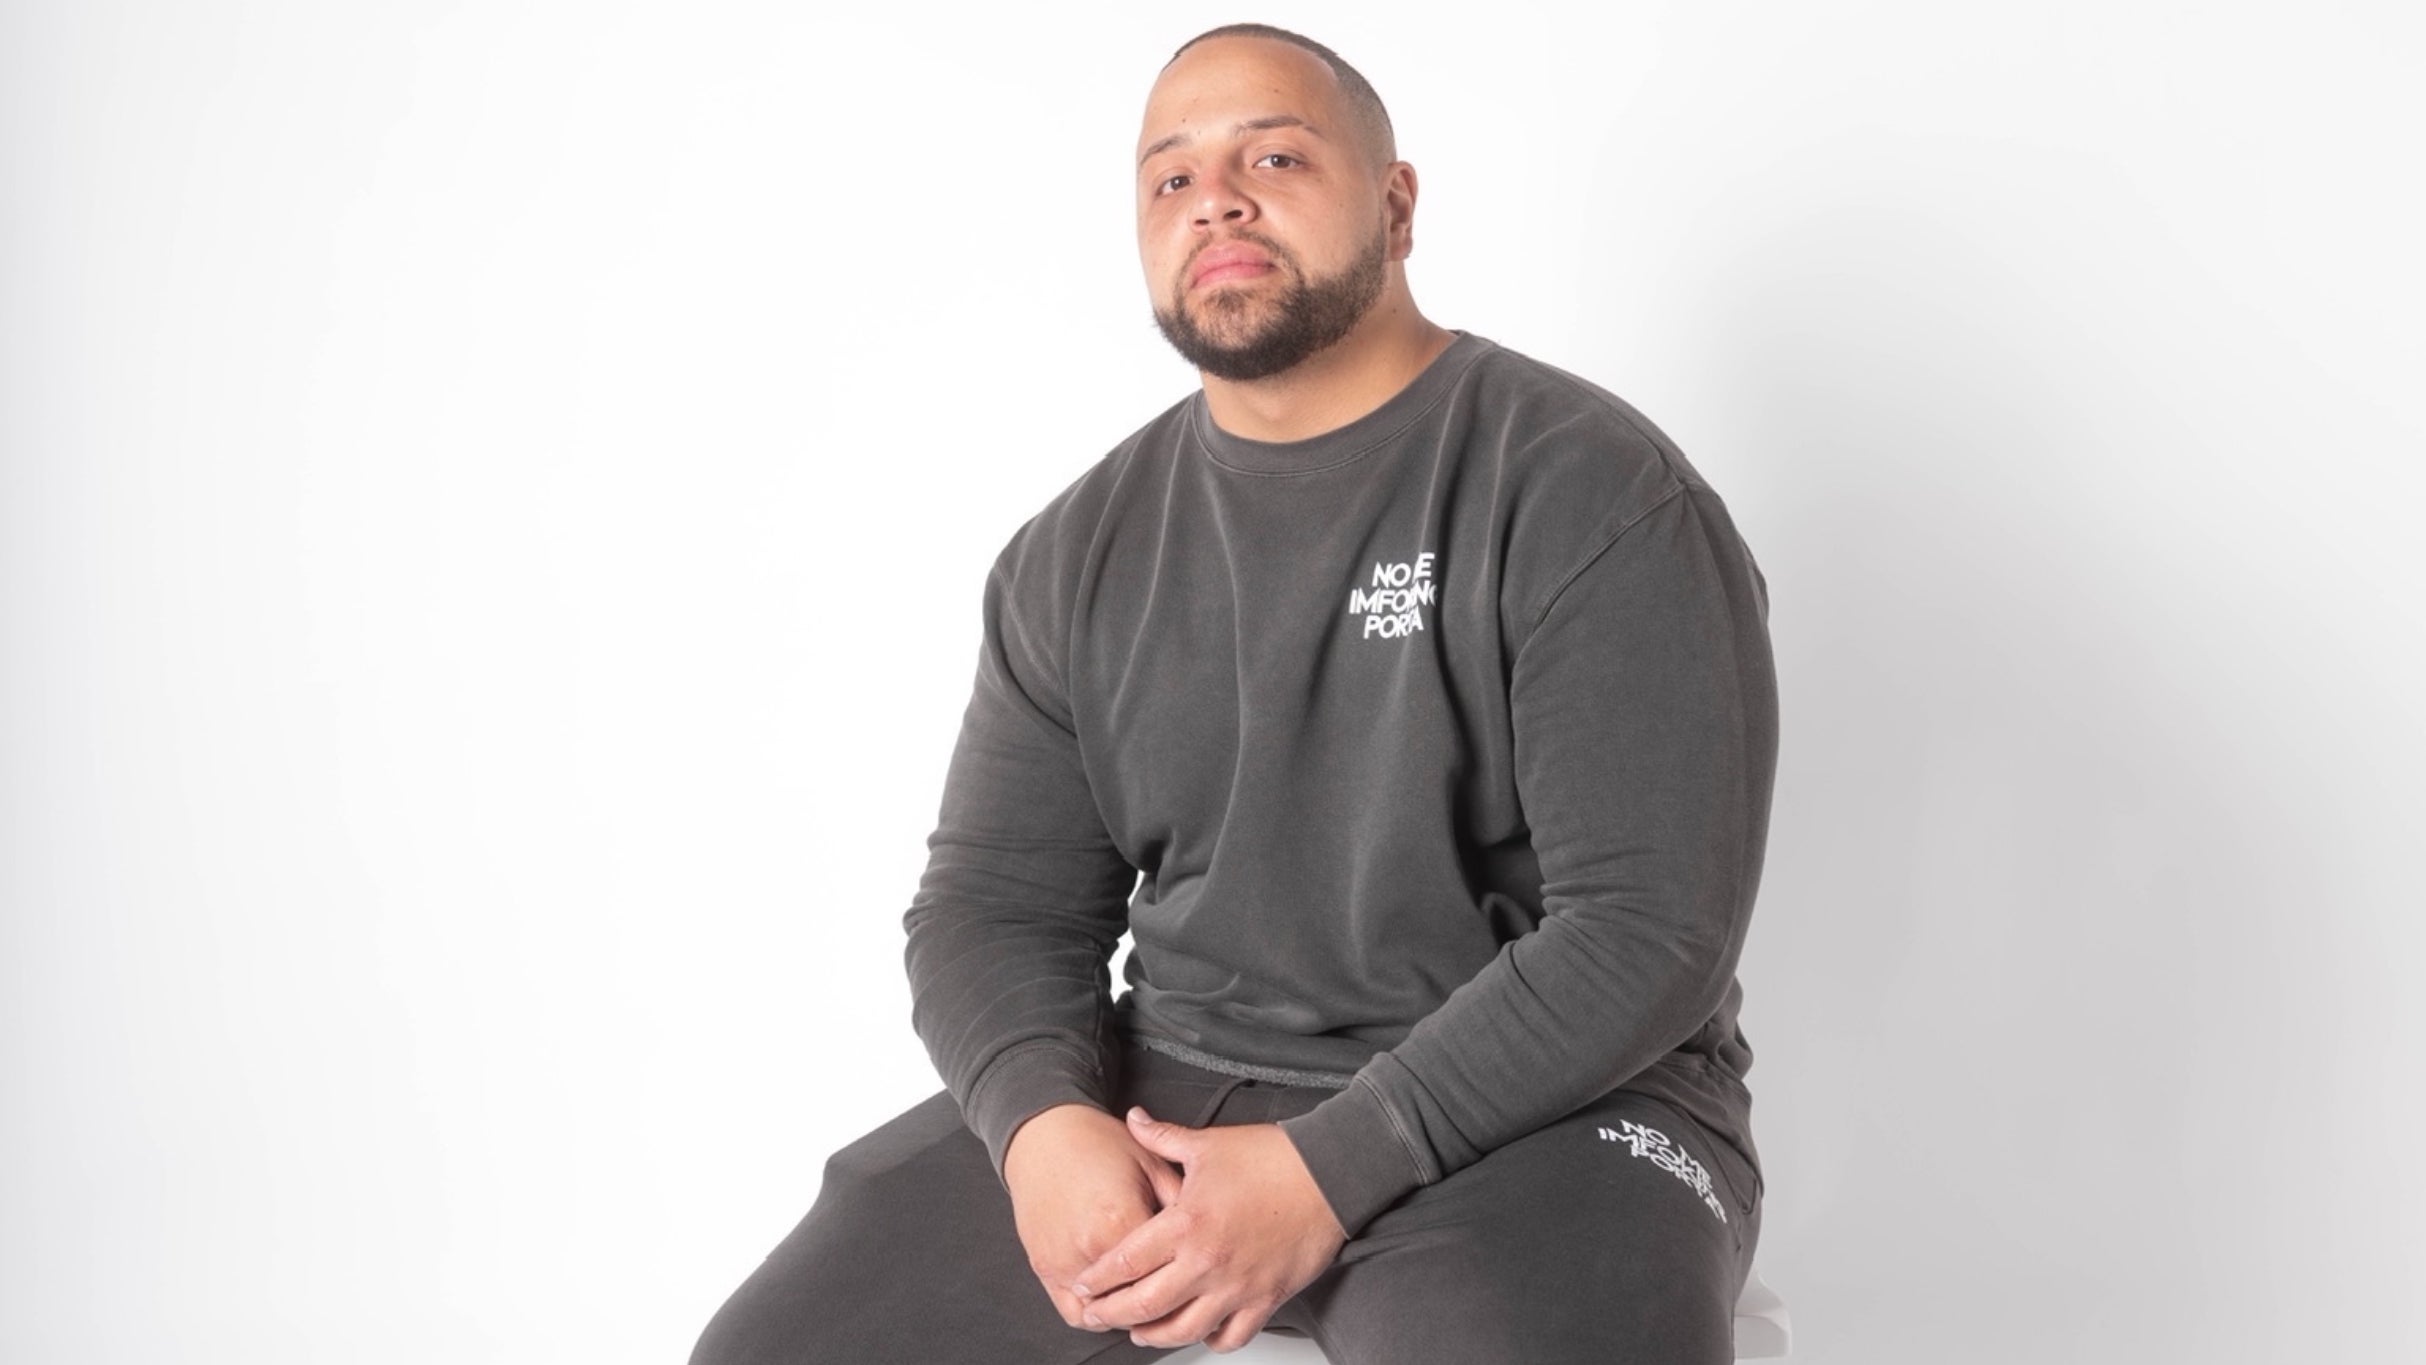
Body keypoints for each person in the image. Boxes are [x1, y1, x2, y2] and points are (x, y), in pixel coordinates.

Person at [690, 22, 1777, 1363]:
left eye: (1273, 157)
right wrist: (1041, 1124)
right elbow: (994, 905)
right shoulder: (1075, 552)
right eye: (1171, 177)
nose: (1214, 200)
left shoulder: (1589, 493)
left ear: (1395, 205)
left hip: (1550, 1112)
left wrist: (1335, 1163)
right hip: (1171, 1090)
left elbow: (1646, 930)